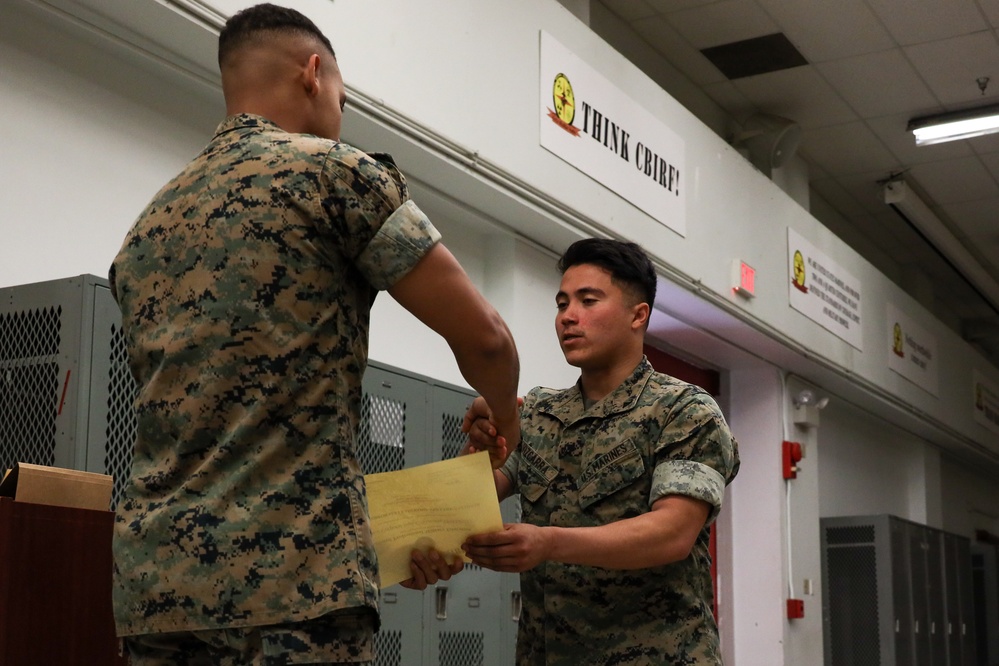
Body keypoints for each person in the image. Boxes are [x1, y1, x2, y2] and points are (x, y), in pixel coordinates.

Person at [108, 4, 520, 664]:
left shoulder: (147, 227)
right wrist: (503, 427)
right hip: (293, 586)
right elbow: (488, 340)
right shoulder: (334, 174)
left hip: (156, 590)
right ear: (313, 73)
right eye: (342, 98)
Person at [461, 238, 739, 665]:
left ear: (637, 315)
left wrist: (548, 543)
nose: (568, 317)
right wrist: (482, 447)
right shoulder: (539, 412)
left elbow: (672, 533)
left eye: (588, 301)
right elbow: (474, 497)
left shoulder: (682, 410)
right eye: (561, 303)